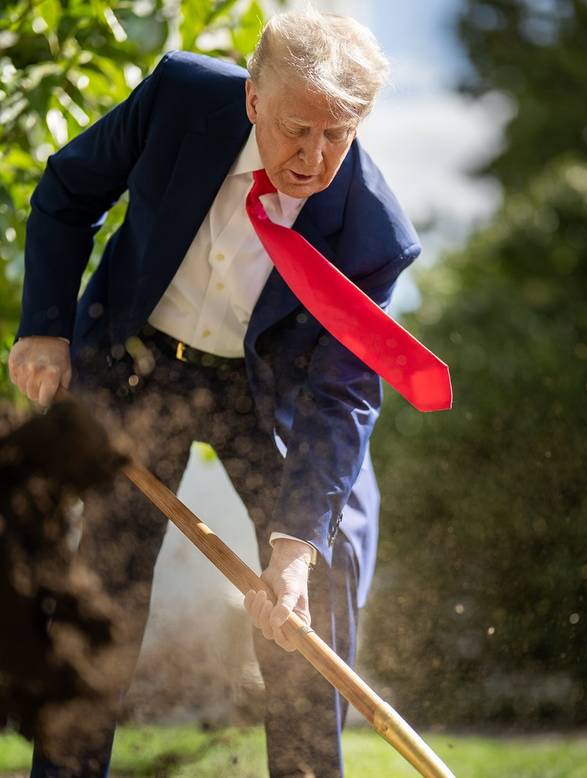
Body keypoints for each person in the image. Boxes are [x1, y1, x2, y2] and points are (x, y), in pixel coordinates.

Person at [8, 8, 421, 778]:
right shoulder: (179, 97)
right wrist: (44, 330)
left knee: (311, 593)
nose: (315, 156)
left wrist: (295, 548)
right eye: (299, 128)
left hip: (265, 396)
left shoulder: (375, 234)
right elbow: (66, 190)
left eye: (340, 133)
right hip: (141, 367)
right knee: (108, 585)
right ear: (253, 99)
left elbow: (343, 395)